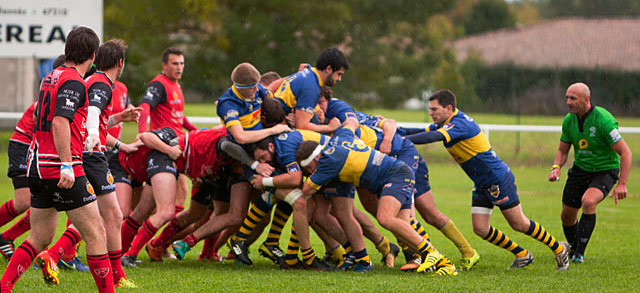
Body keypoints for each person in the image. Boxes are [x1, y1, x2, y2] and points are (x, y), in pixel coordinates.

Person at [0, 27, 115, 292]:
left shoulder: (51, 76)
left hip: (36, 165)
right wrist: (66, 163)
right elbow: (60, 121)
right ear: (93, 54)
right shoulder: (74, 81)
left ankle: (4, 287)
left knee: (40, 236)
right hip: (61, 168)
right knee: (97, 231)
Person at [406, 89, 570, 271]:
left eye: (434, 109)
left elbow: (432, 137)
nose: (431, 113)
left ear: (449, 108)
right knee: (481, 228)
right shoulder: (446, 122)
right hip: (482, 182)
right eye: (430, 109)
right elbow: (419, 131)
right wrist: (385, 130)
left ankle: (559, 248)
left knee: (519, 223)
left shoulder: (459, 124)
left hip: (497, 179)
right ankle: (522, 254)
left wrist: (402, 141)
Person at [297, 118, 457, 275]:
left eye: (309, 167)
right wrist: (336, 126)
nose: (310, 172)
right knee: (402, 225)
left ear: (316, 157)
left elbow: (306, 189)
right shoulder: (339, 139)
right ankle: (445, 263)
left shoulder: (327, 162)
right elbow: (351, 121)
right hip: (396, 173)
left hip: (395, 175)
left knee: (385, 218)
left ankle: (430, 253)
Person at [548, 82, 632, 263]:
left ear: (586, 99)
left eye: (573, 98)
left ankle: (579, 253)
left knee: (588, 201)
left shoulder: (603, 120)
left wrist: (622, 183)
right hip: (580, 170)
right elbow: (563, 151)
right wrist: (556, 168)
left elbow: (625, 153)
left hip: (604, 170)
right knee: (567, 215)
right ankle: (573, 247)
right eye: (567, 98)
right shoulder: (569, 120)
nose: (568, 102)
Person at [0, 55, 66, 260]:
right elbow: (48, 121)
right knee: (25, 201)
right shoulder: (50, 96)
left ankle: (7, 237)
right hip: (23, 146)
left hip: (39, 151)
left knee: (45, 203)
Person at [137, 47, 196, 223]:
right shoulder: (158, 84)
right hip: (165, 146)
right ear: (164, 65)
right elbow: (145, 106)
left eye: (182, 63)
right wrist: (141, 132)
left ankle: (153, 239)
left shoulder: (175, 84)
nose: (179, 67)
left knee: (155, 204)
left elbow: (178, 115)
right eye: (175, 63)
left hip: (177, 144)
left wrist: (195, 131)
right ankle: (163, 242)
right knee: (180, 193)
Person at [271, 47, 348, 133]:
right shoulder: (311, 87)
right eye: (339, 74)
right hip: (277, 123)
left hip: (278, 117)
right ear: (328, 69)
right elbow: (302, 127)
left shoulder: (310, 72)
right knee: (327, 142)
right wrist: (329, 127)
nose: (339, 79)